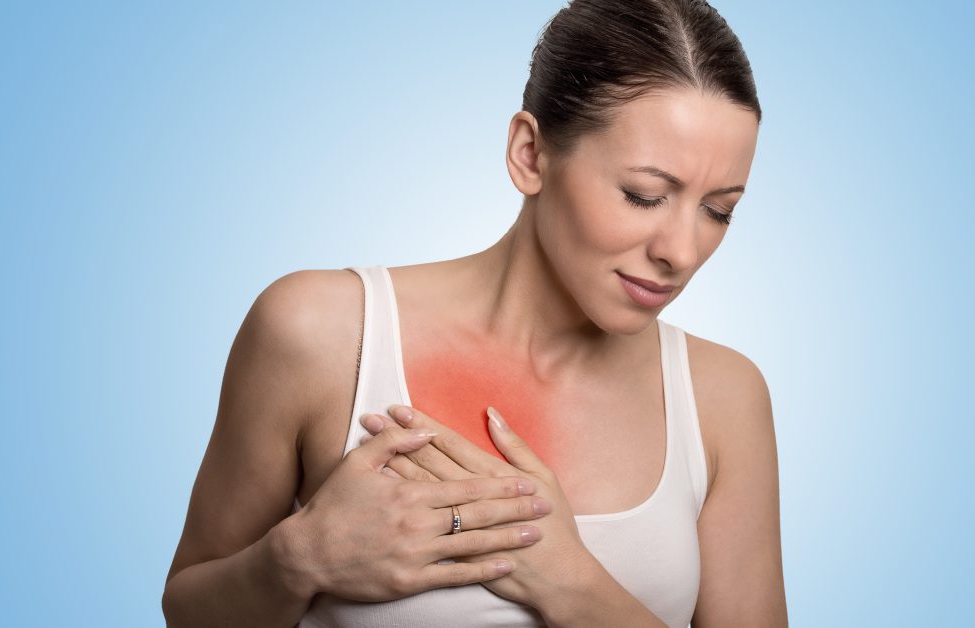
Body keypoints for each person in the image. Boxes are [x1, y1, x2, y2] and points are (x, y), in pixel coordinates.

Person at [162, 0, 786, 626]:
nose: (682, 251)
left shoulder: (723, 399)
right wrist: (294, 561)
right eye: (644, 196)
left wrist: (572, 584)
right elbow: (187, 609)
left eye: (719, 210)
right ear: (530, 154)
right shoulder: (322, 334)